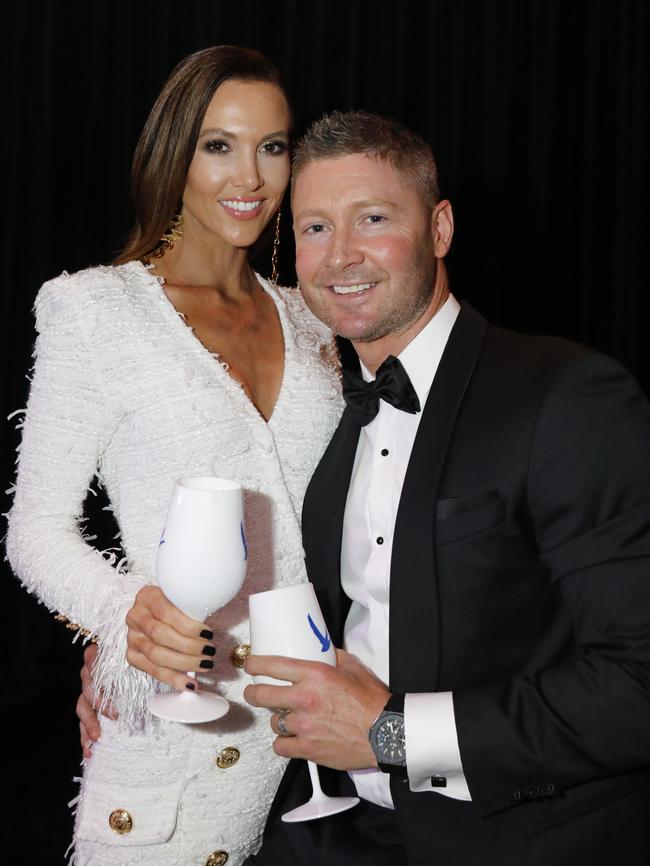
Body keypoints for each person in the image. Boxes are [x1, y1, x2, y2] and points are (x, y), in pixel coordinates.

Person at [76, 111, 650, 864]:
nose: (340, 255)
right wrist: (126, 649)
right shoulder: (316, 413)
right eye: (314, 228)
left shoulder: (565, 395)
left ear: (439, 230)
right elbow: (259, 591)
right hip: (324, 832)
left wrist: (392, 734)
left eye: (372, 219)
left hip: (514, 838)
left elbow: (639, 684)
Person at [6, 47, 342, 866]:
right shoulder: (94, 311)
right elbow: (35, 530)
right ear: (173, 155)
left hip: (328, 747)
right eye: (218, 145)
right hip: (179, 749)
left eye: (273, 145)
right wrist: (125, 616)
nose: (251, 177)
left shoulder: (320, 319)